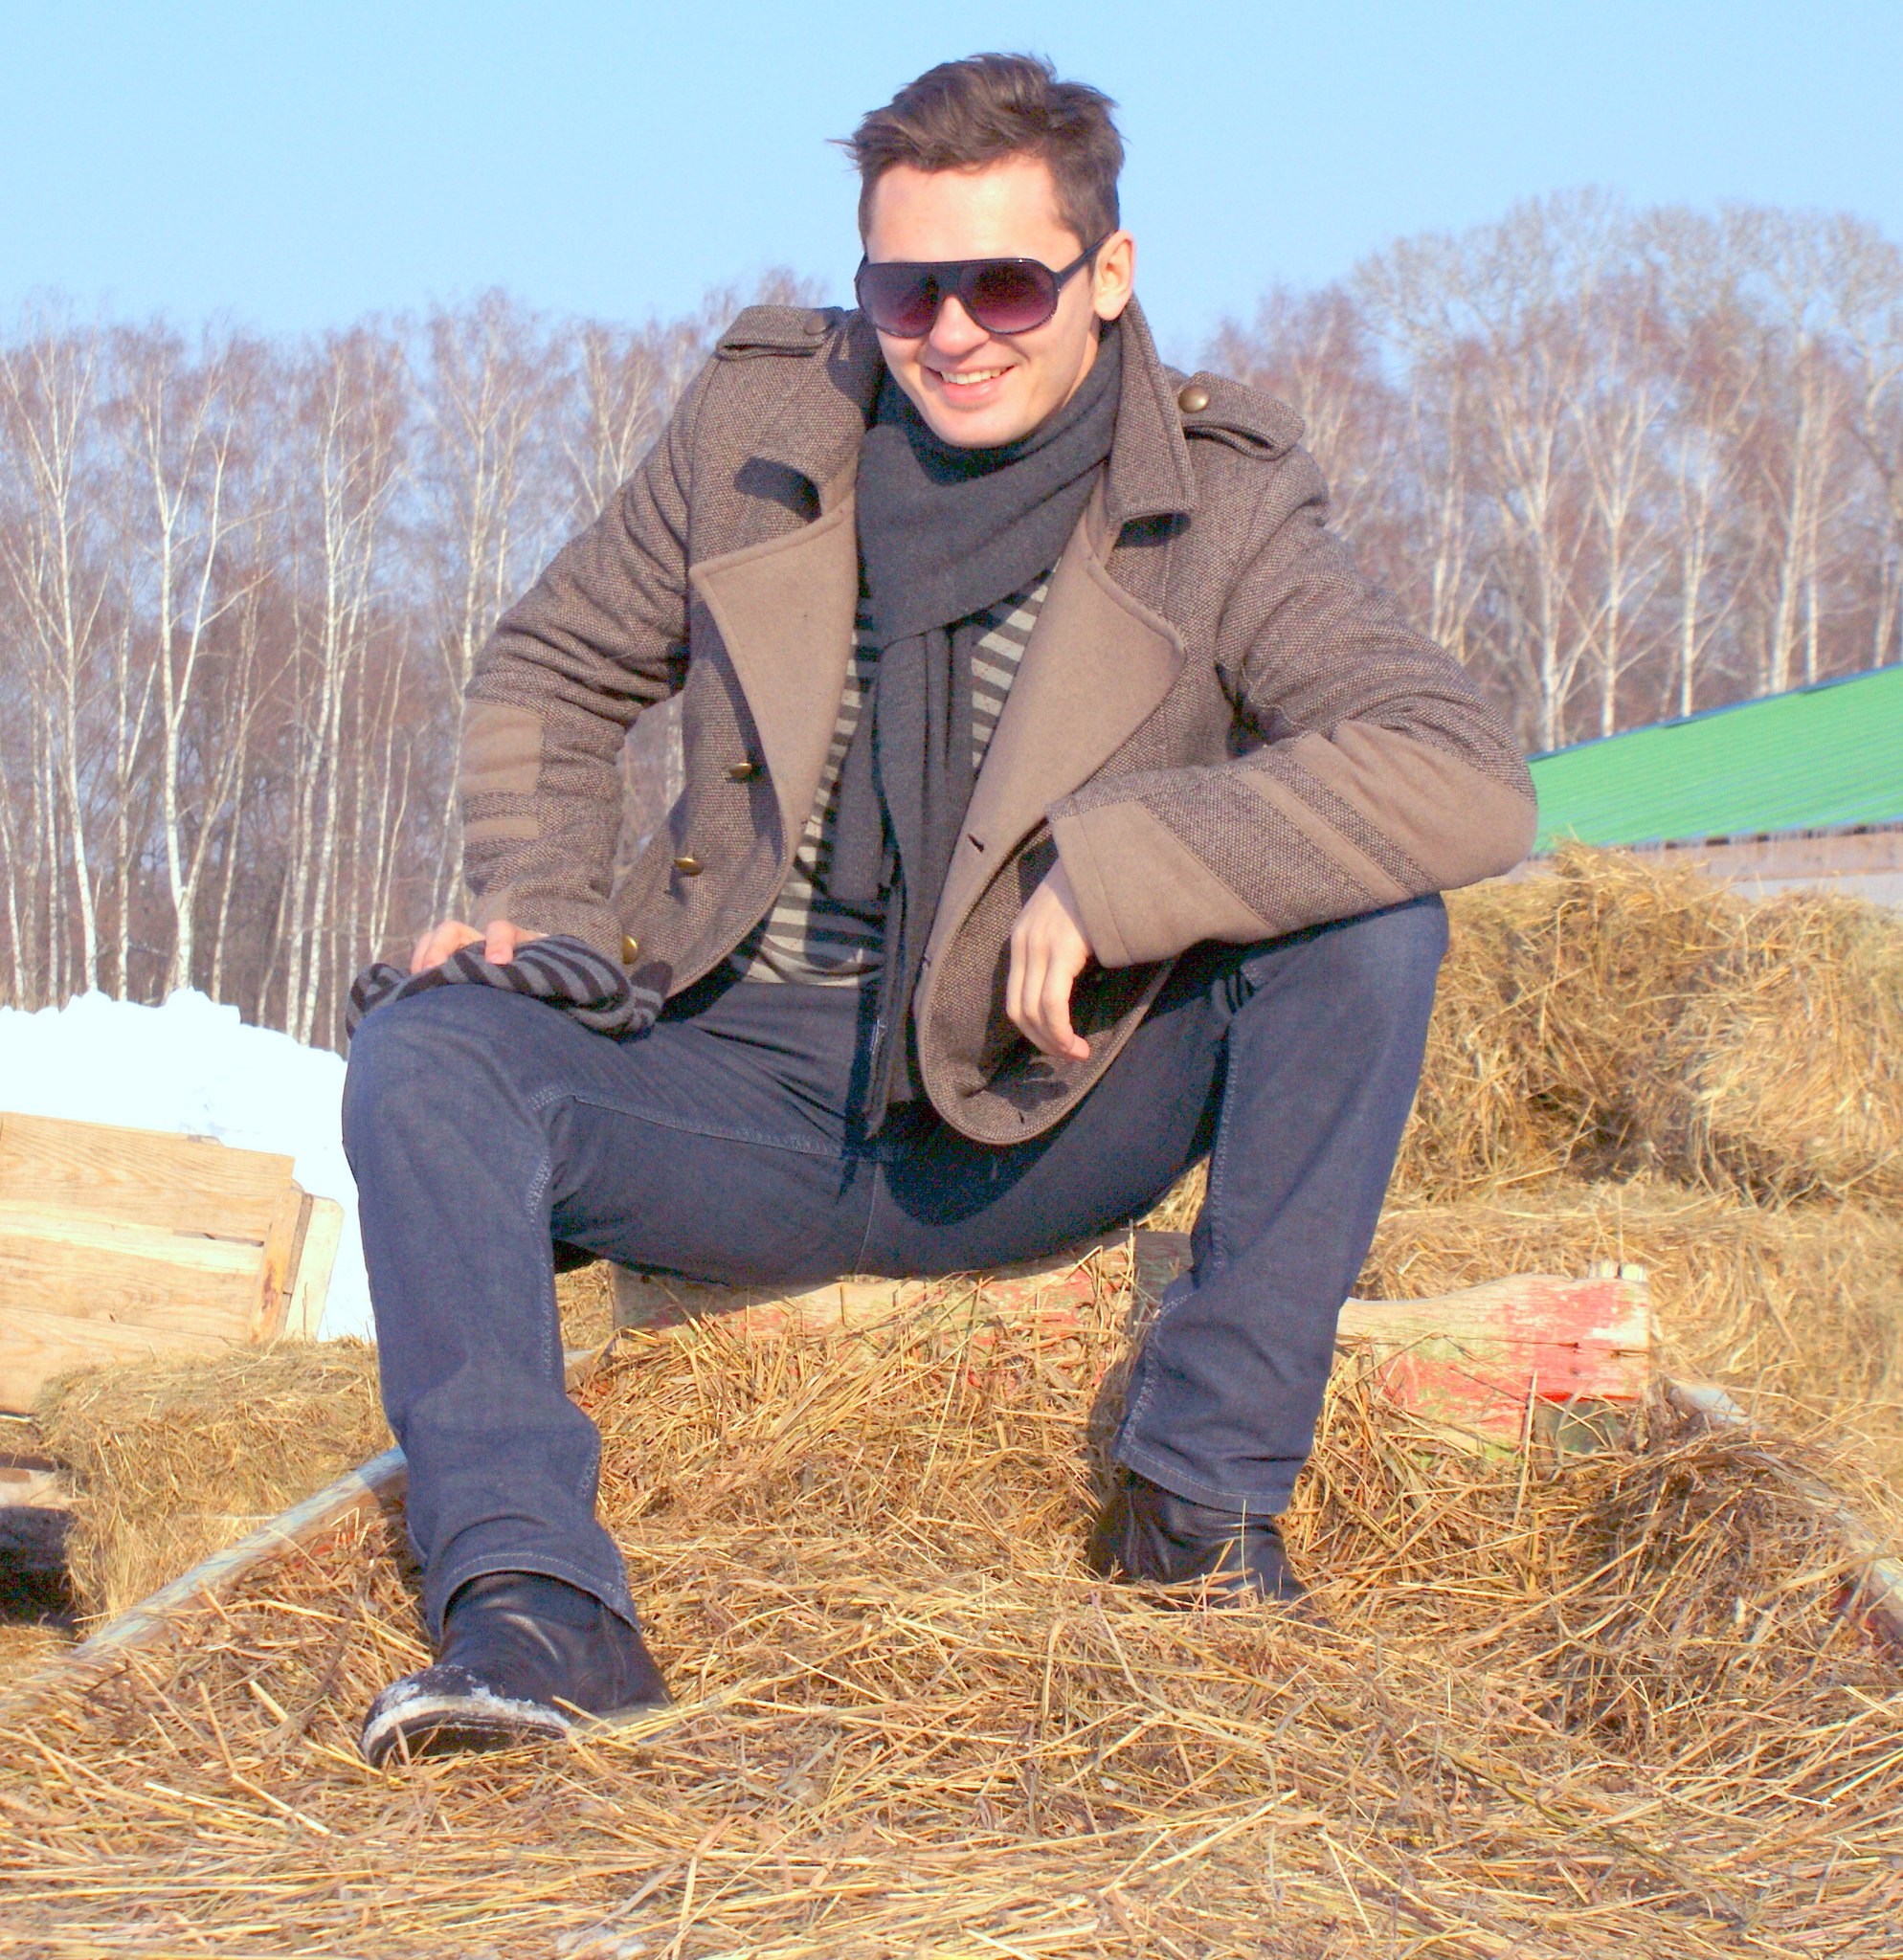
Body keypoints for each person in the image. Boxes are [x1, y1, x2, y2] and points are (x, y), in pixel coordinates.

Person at [343, 52, 1536, 1768]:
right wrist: (549, 919)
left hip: (1042, 1109)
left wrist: (1122, 866)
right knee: (429, 1050)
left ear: (1106, 275)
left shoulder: (1222, 498)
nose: (954, 333)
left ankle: (1197, 1512)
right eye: (907, 291)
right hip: (739, 1094)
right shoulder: (760, 423)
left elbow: (1457, 768)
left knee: (1369, 931)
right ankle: (539, 1611)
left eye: (1005, 285)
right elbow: (551, 669)